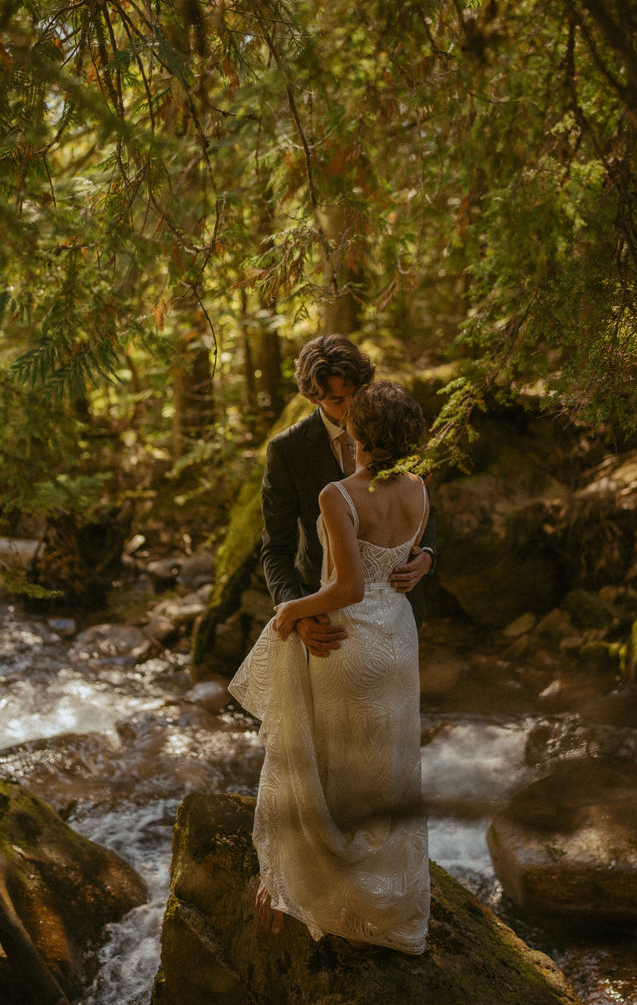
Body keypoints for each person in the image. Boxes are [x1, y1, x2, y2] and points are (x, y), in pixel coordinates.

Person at [229, 381, 431, 953]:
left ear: (360, 436)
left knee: (323, 761)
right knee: (386, 763)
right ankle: (382, 897)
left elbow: (346, 586)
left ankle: (312, 884)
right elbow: (390, 567)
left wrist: (292, 609)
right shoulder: (419, 487)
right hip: (397, 635)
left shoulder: (338, 494)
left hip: (348, 640)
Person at [260, 334, 436, 660]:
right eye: (338, 400)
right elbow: (276, 549)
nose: (353, 407)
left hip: (399, 611)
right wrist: (296, 613)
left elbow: (422, 502)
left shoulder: (393, 422)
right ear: (314, 399)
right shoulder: (287, 451)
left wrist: (427, 555)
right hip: (325, 621)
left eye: (357, 394)